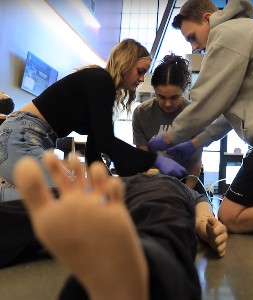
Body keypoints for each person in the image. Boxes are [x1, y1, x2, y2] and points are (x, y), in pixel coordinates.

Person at [148, 0, 253, 233]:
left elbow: (208, 100)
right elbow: (225, 110)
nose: (195, 46)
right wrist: (197, 142)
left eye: (192, 37)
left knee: (230, 216)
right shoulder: (246, 30)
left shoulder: (227, 34)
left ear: (208, 19)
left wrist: (169, 138)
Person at [11, 151, 227, 300]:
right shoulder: (121, 180)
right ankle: (134, 264)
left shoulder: (178, 186)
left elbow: (202, 216)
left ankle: (135, 263)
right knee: (54, 208)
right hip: (111, 204)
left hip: (157, 199)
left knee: (161, 219)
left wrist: (209, 229)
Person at [0, 39, 187, 202]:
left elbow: (94, 151)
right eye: (140, 71)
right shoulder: (100, 80)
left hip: (31, 137)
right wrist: (155, 159)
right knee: (68, 194)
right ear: (126, 62)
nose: (141, 79)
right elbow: (107, 142)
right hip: (22, 135)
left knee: (73, 195)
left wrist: (107, 186)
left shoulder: (100, 92)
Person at [132, 53, 204, 192]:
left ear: (184, 90)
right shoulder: (141, 113)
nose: (168, 103)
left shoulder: (195, 114)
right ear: (154, 90)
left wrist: (187, 192)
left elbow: (195, 162)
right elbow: (143, 158)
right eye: (161, 96)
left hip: (189, 176)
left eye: (174, 97)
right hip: (153, 176)